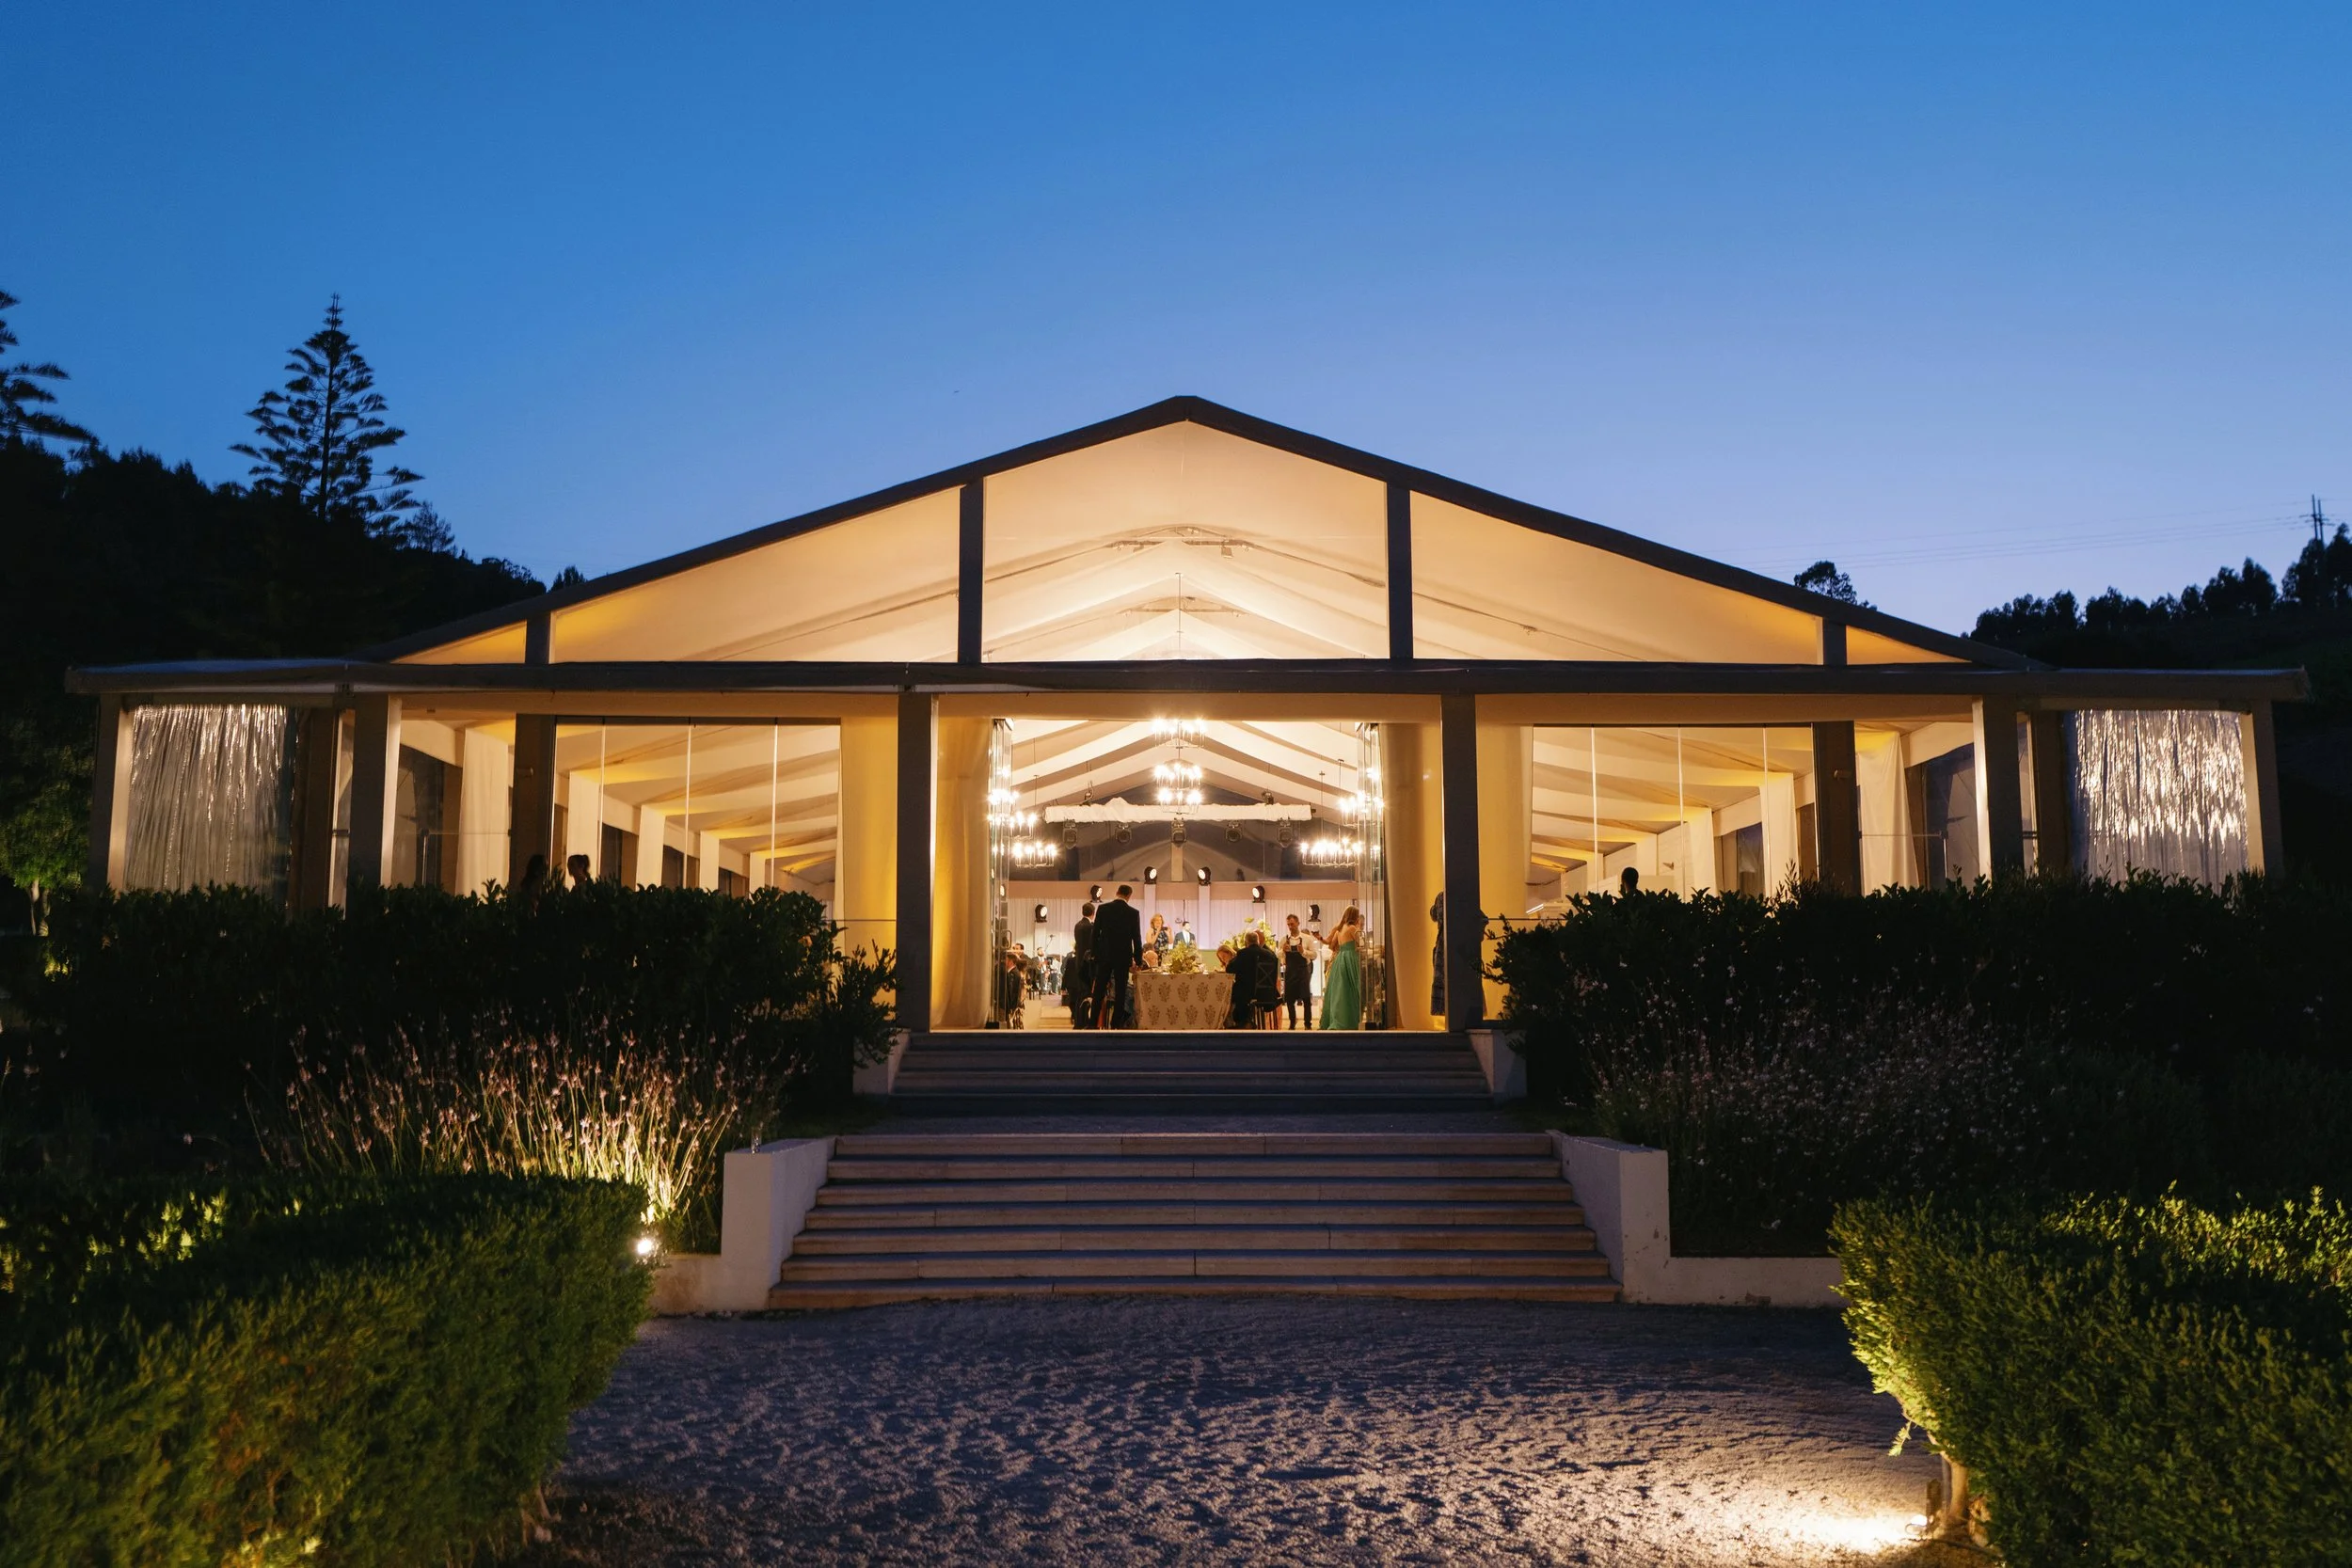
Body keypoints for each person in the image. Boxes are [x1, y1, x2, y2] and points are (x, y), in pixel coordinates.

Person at [1089, 884, 1144, 1028]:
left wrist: (1094, 953)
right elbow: (1136, 938)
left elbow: (1095, 934)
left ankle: (1092, 1023)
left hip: (1104, 956)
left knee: (1099, 991)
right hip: (1122, 958)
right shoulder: (1133, 913)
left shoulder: (1103, 909)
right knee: (1121, 992)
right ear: (1129, 896)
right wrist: (1138, 960)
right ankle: (1115, 1025)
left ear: (1117, 892)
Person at [1318, 905, 1365, 1029]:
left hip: (1340, 959)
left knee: (1340, 990)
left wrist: (1320, 937)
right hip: (1350, 958)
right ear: (1354, 916)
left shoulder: (1340, 929)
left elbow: (1329, 942)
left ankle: (1338, 1018)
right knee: (1353, 989)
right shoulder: (1352, 928)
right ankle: (1351, 1020)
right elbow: (1361, 944)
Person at [1280, 914, 1315, 1029]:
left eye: (1292, 924)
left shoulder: (1307, 938)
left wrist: (1303, 952)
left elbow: (1314, 955)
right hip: (1290, 972)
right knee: (1289, 1000)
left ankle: (1308, 1024)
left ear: (1298, 923)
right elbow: (1278, 955)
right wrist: (1283, 951)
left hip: (1303, 972)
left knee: (1306, 999)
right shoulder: (1284, 940)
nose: (1290, 927)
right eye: (1288, 925)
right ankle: (1292, 1022)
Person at [1065, 901, 1097, 1027]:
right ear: (1093, 913)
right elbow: (1091, 946)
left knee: (1080, 994)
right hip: (1087, 965)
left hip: (1079, 963)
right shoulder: (1090, 927)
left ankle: (1079, 1021)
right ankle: (1083, 1021)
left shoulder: (1078, 925)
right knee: (1086, 994)